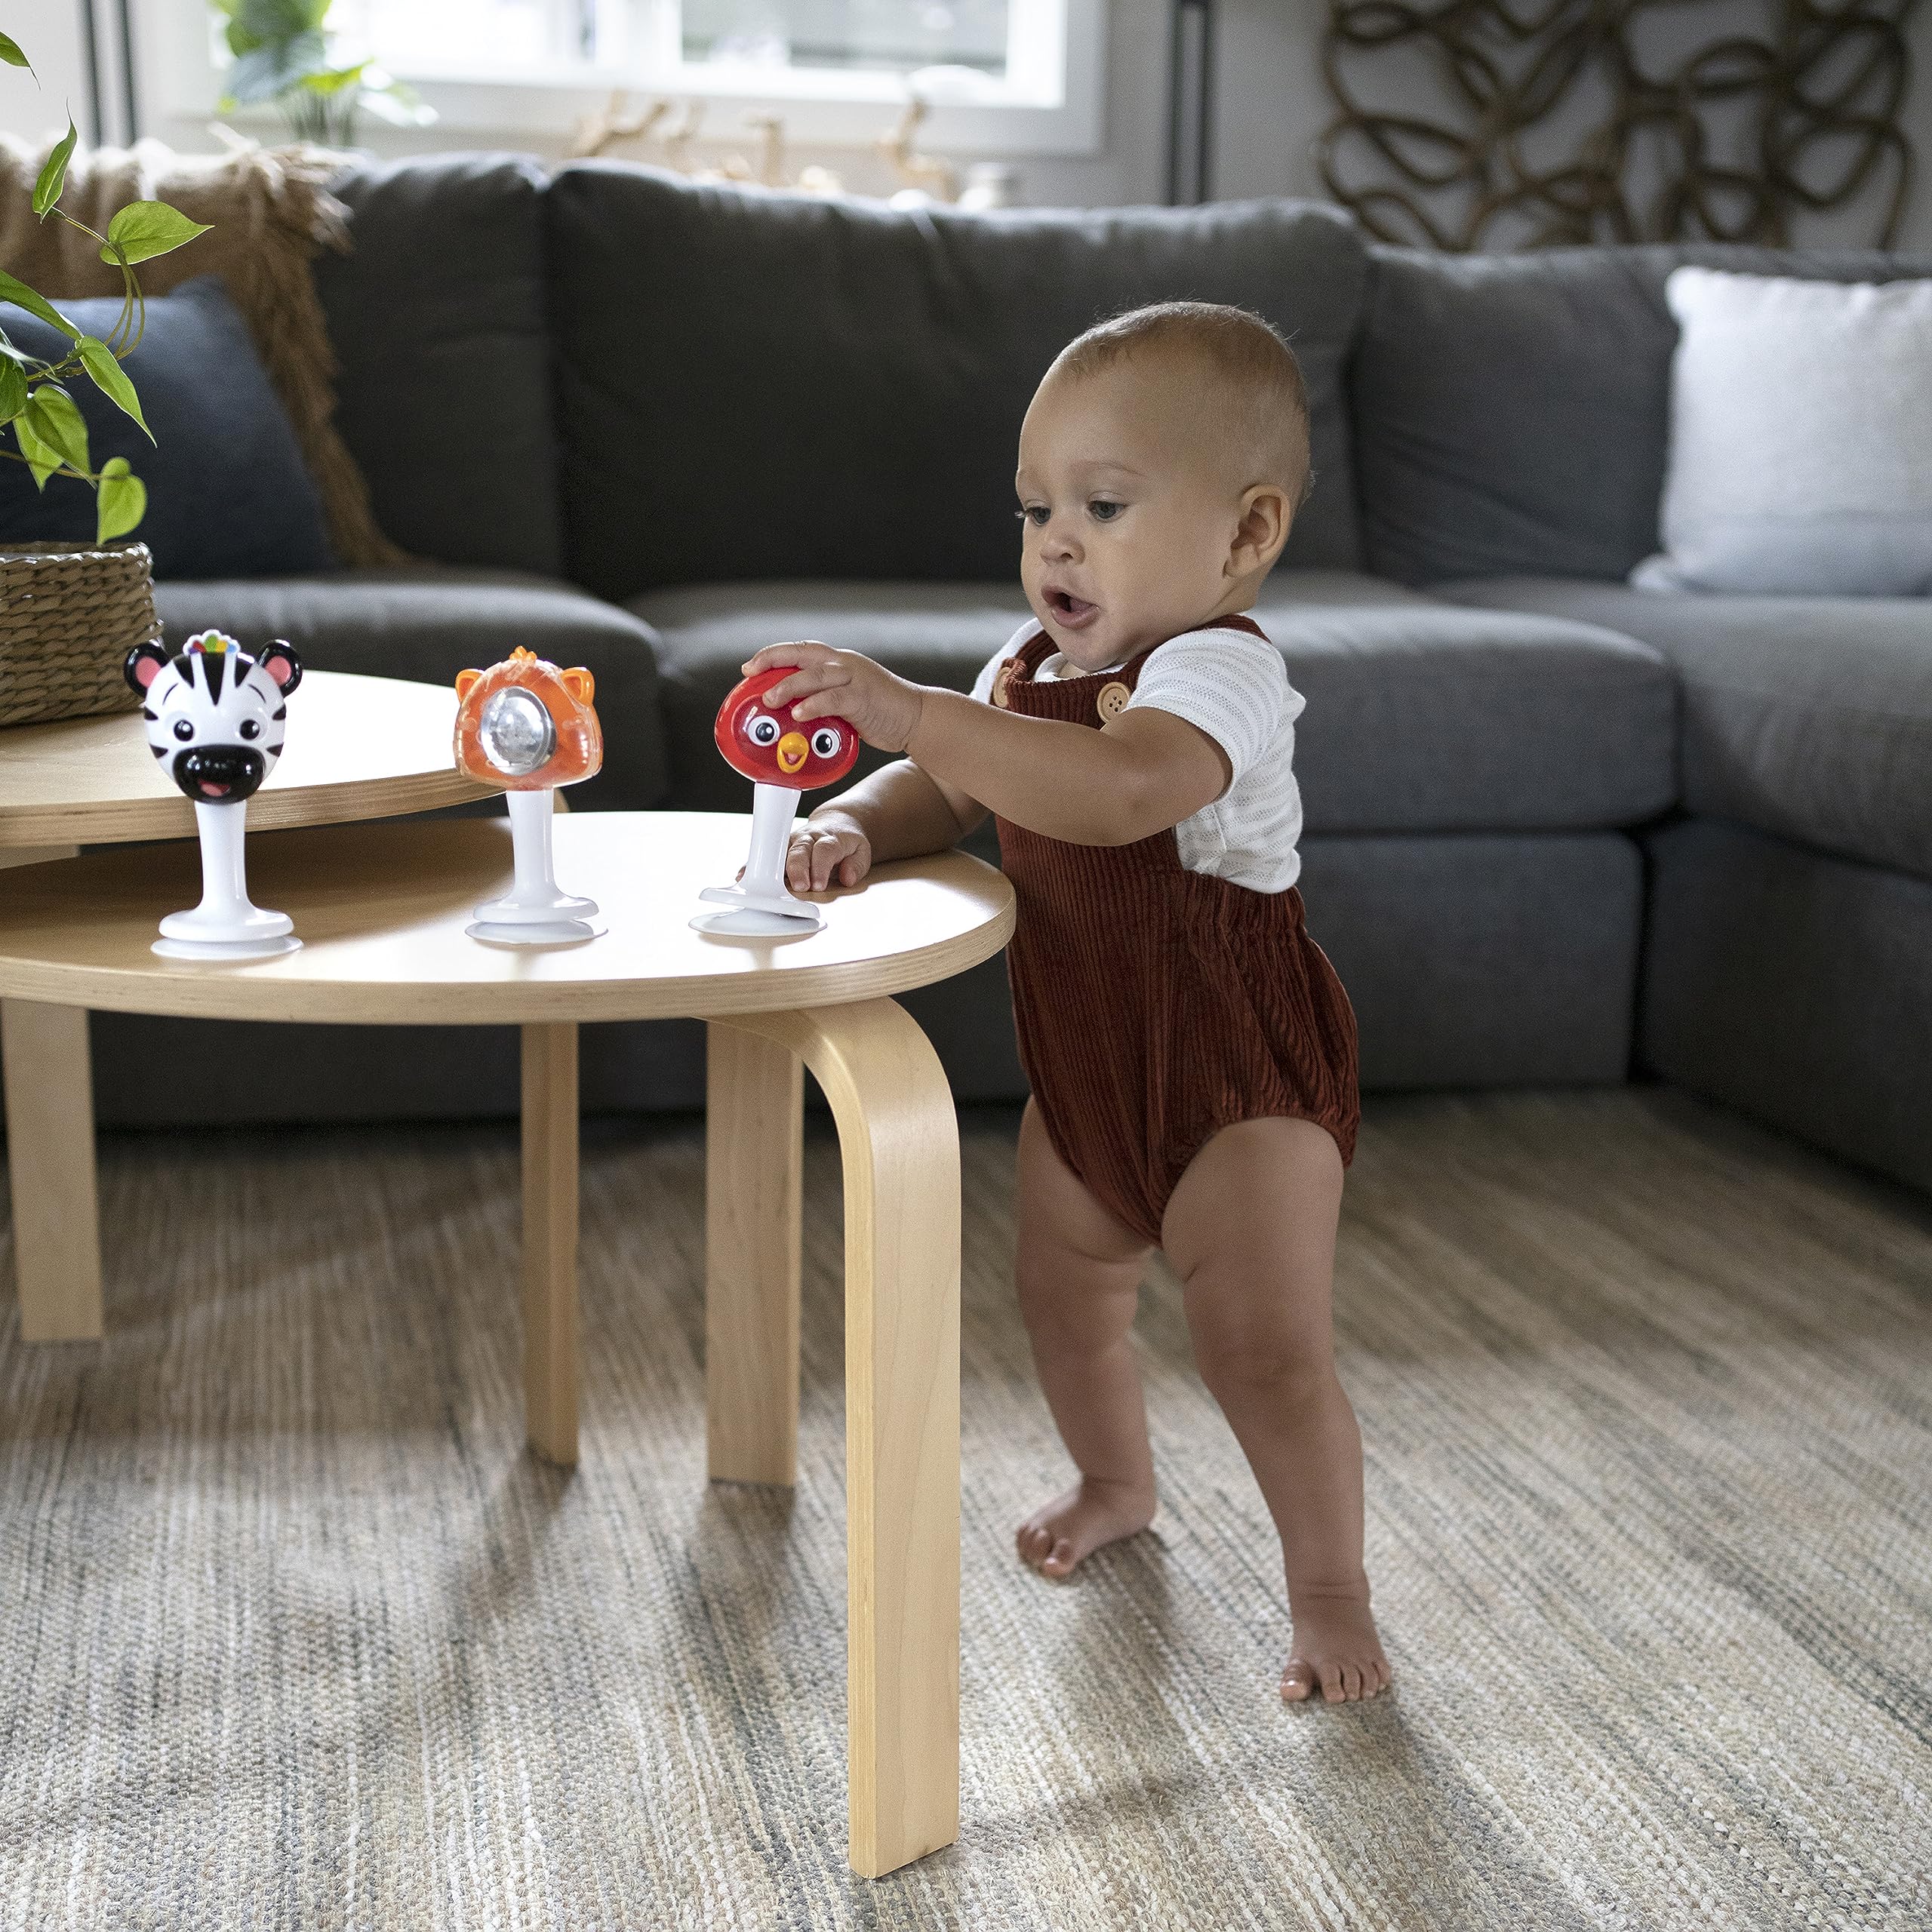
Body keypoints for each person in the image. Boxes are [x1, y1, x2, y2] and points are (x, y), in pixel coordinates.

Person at [740, 301, 1390, 1703]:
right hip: (1090, 1063)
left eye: (1103, 504)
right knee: (1062, 1298)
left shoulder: (1217, 671)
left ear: (1242, 535)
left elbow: (1120, 796)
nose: (1056, 542)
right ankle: (1115, 1481)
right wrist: (866, 815)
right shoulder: (1022, 677)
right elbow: (950, 790)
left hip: (1239, 1080)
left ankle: (1331, 1591)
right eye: (1037, 508)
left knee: (1262, 1352)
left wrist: (910, 710)